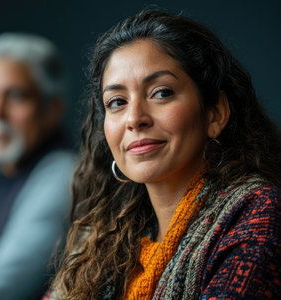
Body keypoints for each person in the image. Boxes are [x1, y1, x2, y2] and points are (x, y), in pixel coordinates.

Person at [48, 10, 281, 300]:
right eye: (117, 102)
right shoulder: (100, 239)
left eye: (161, 93)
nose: (135, 118)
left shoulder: (259, 213)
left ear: (215, 114)